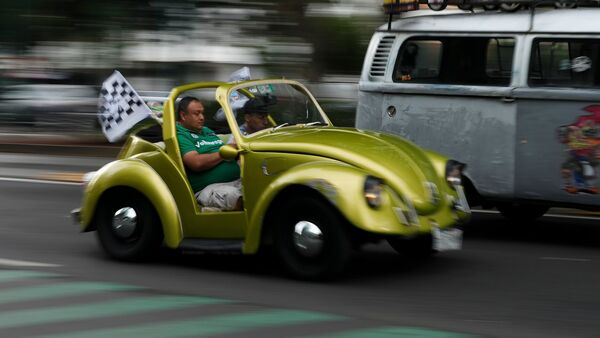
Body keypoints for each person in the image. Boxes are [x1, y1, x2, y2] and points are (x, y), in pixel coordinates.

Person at [176, 96, 242, 211]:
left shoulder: (207, 131)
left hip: (236, 180)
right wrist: (225, 152)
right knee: (242, 199)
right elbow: (196, 163)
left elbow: (227, 153)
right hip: (209, 188)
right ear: (183, 115)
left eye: (202, 113)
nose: (201, 117)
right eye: (196, 114)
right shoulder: (180, 134)